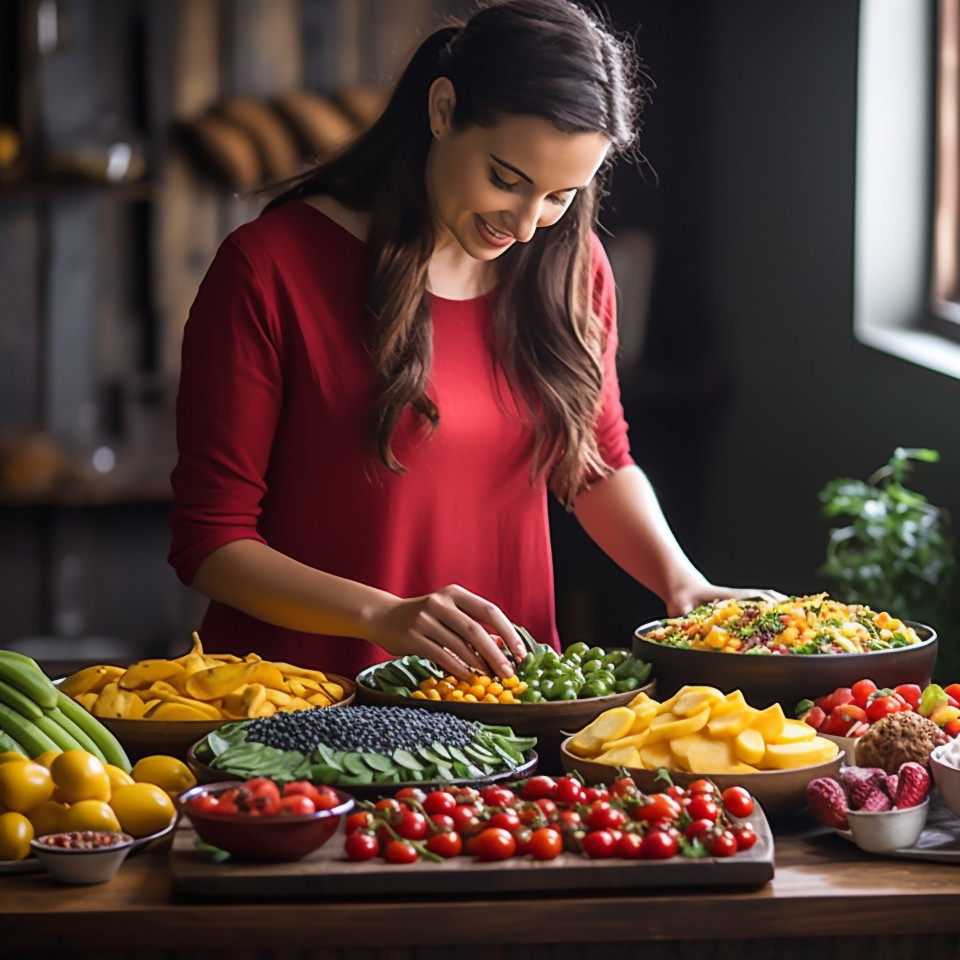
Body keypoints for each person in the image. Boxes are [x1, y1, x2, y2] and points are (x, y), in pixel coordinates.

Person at [168, 0, 782, 684]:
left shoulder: (572, 271)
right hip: (300, 708)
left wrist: (682, 585)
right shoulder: (270, 267)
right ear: (441, 110)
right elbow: (212, 542)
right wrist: (384, 617)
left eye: (560, 197)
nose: (525, 226)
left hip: (503, 708)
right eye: (506, 179)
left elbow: (596, 464)